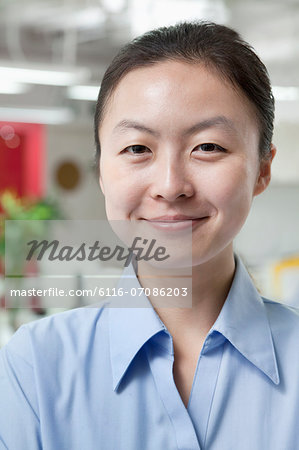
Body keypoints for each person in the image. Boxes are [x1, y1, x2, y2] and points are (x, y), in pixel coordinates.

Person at [1, 21, 299, 450]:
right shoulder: (37, 367)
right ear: (101, 168)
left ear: (263, 168)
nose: (170, 185)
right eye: (138, 149)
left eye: (208, 146)